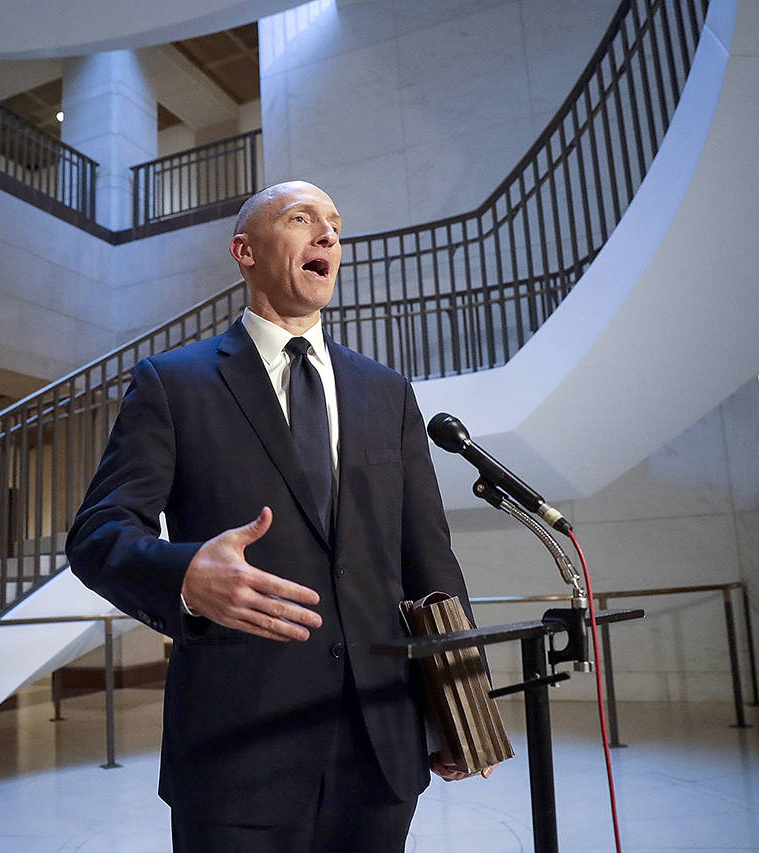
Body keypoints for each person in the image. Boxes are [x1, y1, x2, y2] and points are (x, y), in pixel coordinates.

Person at [66, 181, 494, 853]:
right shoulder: (172, 383)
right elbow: (97, 533)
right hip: (237, 752)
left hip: (380, 746)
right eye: (301, 219)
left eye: (334, 224)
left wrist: (463, 706)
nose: (328, 235)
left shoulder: (388, 392)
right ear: (245, 251)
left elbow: (429, 557)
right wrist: (184, 575)